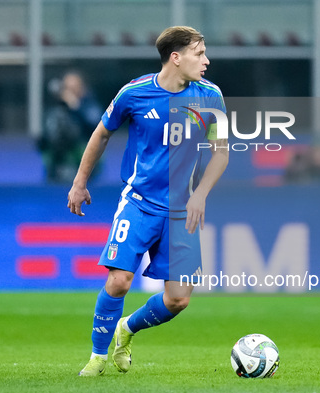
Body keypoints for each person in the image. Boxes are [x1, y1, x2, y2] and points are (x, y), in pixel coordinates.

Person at [67, 26, 228, 377]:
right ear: (176, 57)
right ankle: (97, 357)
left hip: (182, 210)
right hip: (139, 203)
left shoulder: (210, 96)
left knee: (178, 300)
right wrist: (80, 183)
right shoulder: (135, 93)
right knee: (120, 280)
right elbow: (102, 133)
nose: (206, 60)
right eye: (199, 53)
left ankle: (127, 329)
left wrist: (200, 194)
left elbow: (221, 152)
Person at [38, 71, 102, 183]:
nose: (69, 91)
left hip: (83, 163)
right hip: (58, 162)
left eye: (74, 87)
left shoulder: (89, 106)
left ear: (82, 88)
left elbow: (96, 128)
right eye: (66, 88)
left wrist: (75, 106)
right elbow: (43, 140)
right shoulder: (55, 110)